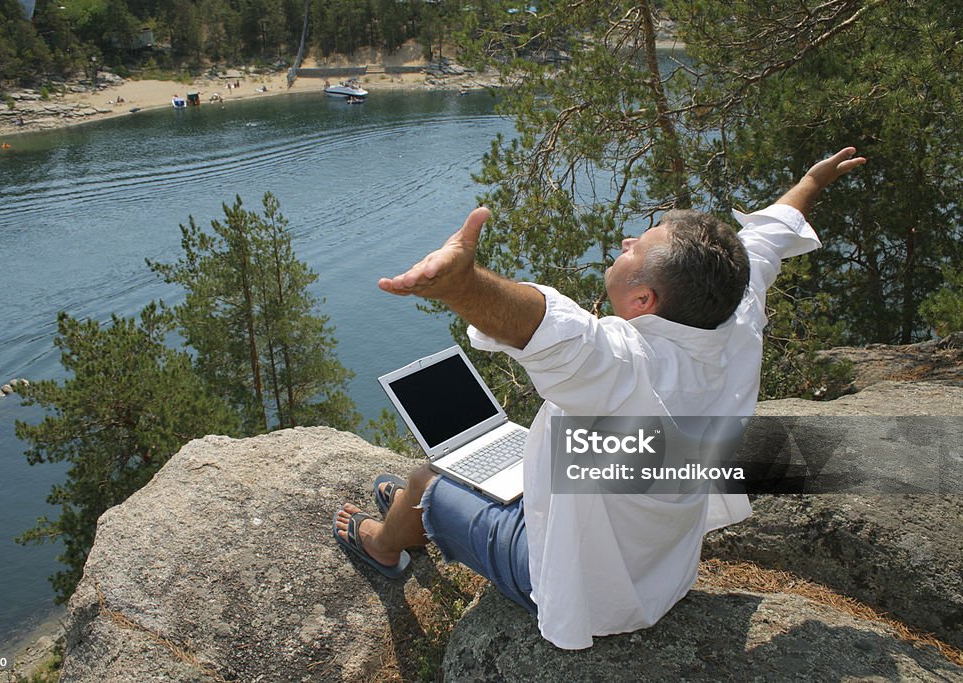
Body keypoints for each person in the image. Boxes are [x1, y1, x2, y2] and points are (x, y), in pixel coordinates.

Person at [334, 147, 866, 649]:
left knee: (427, 478)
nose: (625, 244)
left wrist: (462, 285)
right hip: (662, 569)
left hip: (584, 592)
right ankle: (428, 511)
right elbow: (767, 240)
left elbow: (553, 331)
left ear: (643, 300)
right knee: (529, 469)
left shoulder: (629, 369)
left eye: (638, 247)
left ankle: (386, 542)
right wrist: (812, 182)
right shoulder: (733, 310)